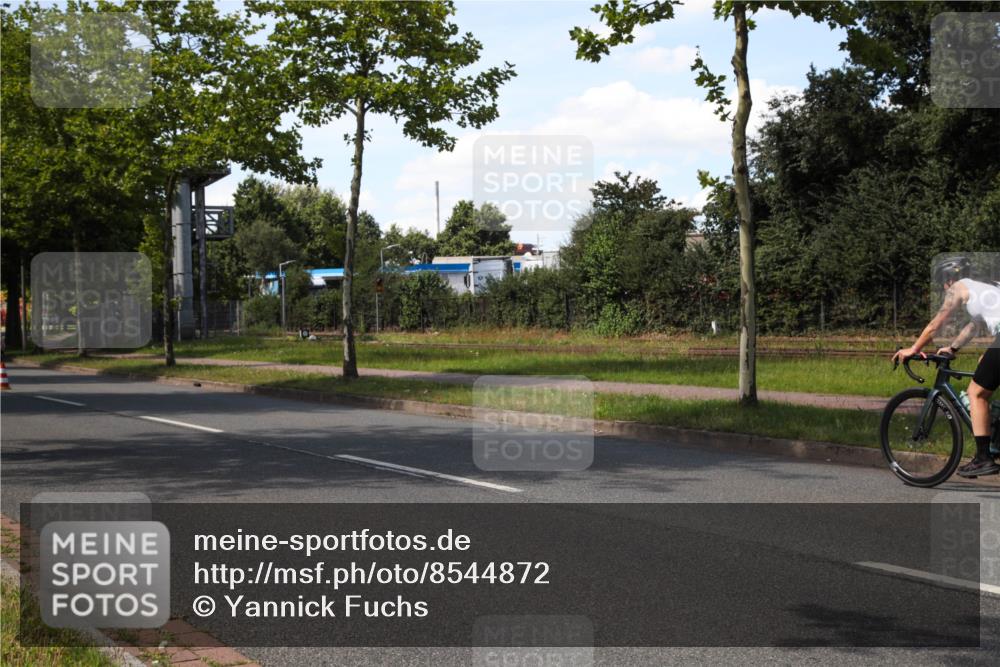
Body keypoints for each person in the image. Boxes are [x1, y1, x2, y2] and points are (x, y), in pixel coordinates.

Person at [891, 256, 1000, 477]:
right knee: (984, 367)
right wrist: (953, 348)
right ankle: (996, 439)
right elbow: (973, 326)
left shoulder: (959, 287)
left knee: (976, 394)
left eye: (943, 282)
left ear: (949, 278)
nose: (943, 287)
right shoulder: (988, 288)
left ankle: (982, 459)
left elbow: (935, 325)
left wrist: (913, 348)